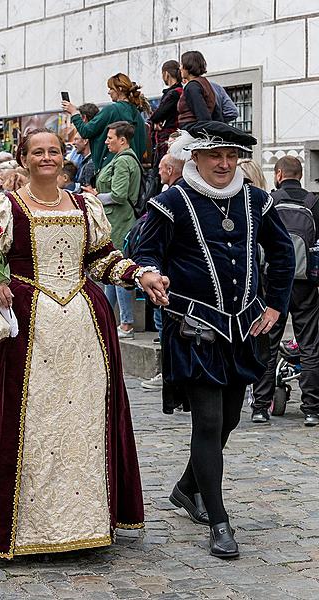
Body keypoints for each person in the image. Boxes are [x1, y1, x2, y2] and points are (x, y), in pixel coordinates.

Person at [0, 126, 167, 559]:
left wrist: (140, 274)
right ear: (24, 157)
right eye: (38, 152)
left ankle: (87, 521)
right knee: (32, 421)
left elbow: (104, 259)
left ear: (63, 156)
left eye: (54, 150)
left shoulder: (85, 204)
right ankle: (29, 530)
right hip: (28, 331)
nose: (47, 158)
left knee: (85, 423)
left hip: (83, 329)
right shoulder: (3, 206)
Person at [135, 121, 295, 559]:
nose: (224, 164)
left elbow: (282, 252)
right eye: (214, 156)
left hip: (243, 329)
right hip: (194, 330)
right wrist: (148, 273)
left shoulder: (257, 200)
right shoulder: (171, 202)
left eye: (231, 156)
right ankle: (219, 521)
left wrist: (276, 305)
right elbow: (144, 250)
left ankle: (187, 487)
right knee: (207, 421)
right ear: (195, 158)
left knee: (229, 420)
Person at [251, 156, 319, 426]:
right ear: (300, 175)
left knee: (267, 343)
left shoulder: (270, 201)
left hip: (274, 282)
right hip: (306, 285)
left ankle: (260, 407)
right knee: (310, 344)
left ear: (279, 174)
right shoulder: (314, 202)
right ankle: (312, 408)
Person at [84, 121, 141, 338]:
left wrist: (95, 196)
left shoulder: (124, 161)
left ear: (122, 140)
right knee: (110, 273)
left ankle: (126, 323)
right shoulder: (120, 159)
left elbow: (118, 195)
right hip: (116, 220)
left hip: (120, 221)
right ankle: (104, 318)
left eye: (110, 138)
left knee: (119, 271)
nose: (106, 141)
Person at [140, 152, 185, 391]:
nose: (157, 172)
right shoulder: (168, 197)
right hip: (162, 275)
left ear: (170, 170)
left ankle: (170, 374)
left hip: (172, 277)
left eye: (160, 168)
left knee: (166, 326)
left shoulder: (171, 198)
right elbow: (147, 248)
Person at [62, 73, 149, 172]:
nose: (109, 92)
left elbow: (86, 131)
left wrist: (74, 113)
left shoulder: (112, 110)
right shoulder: (137, 114)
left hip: (112, 169)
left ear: (119, 89)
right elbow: (142, 146)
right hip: (134, 170)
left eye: (111, 89)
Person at [149, 60, 183, 168]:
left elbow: (157, 115)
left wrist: (155, 120)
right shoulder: (181, 91)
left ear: (166, 74)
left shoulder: (174, 93)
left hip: (169, 137)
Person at [177, 51, 223, 128]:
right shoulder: (205, 83)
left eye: (182, 64)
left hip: (192, 131)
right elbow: (216, 114)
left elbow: (203, 117)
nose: (180, 68)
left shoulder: (192, 86)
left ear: (189, 65)